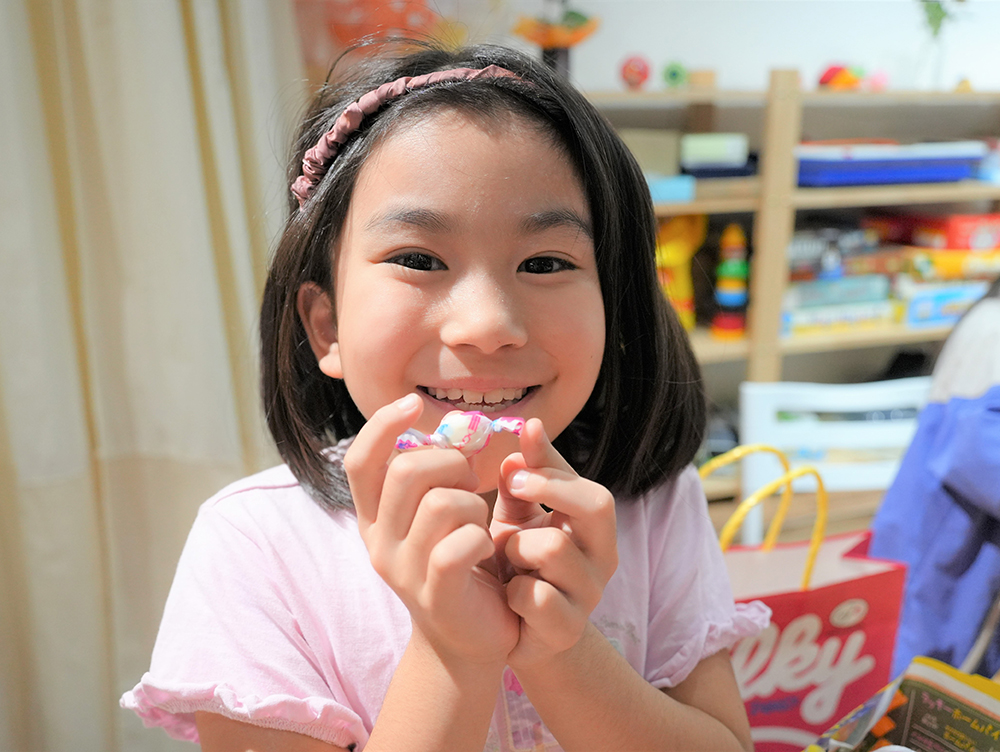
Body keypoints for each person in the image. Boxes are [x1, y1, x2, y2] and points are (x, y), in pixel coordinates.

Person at [121, 42, 768, 752]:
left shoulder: (651, 504)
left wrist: (561, 652)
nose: (488, 325)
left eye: (546, 262)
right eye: (419, 260)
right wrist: (452, 652)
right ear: (326, 325)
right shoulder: (253, 546)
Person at [871, 277, 1000, 677]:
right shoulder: (992, 328)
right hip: (947, 547)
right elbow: (975, 452)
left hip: (969, 551)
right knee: (922, 681)